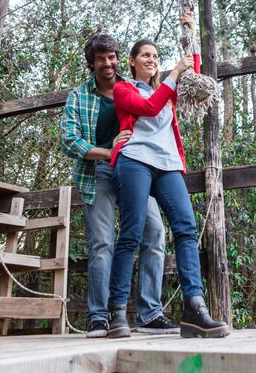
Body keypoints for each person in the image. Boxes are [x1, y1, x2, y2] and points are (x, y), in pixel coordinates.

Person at [106, 13, 230, 339]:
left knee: (186, 228)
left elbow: (195, 81)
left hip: (168, 164)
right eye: (145, 55)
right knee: (132, 233)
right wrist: (172, 73)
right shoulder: (123, 89)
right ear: (131, 62)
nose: (152, 59)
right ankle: (117, 311)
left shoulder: (168, 88)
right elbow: (147, 109)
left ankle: (195, 309)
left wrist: (189, 31)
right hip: (134, 160)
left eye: (156, 56)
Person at [61, 34, 179, 337]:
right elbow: (69, 139)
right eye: (101, 59)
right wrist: (108, 151)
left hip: (137, 169)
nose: (108, 63)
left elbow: (158, 111)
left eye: (112, 56)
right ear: (92, 64)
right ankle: (99, 316)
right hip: (98, 171)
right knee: (102, 243)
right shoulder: (79, 96)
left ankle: (149, 313)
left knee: (154, 232)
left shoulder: (134, 88)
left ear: (119, 58)